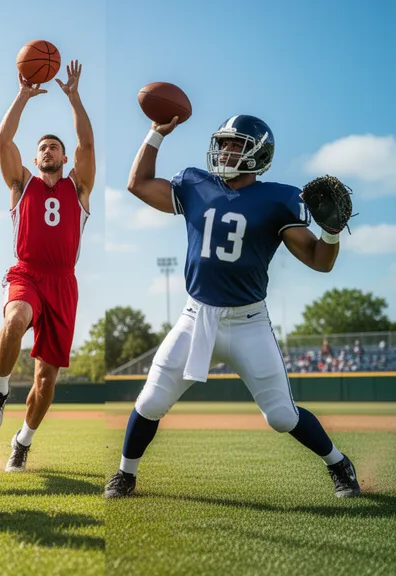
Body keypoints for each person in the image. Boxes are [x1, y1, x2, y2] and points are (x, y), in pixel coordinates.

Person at [104, 114, 359, 499]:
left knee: (281, 416)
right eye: (222, 143)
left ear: (258, 152)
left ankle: (339, 464)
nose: (224, 150)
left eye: (234, 144)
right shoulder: (194, 184)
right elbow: (137, 184)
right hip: (196, 316)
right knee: (151, 401)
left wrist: (330, 231)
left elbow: (320, 261)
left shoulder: (277, 199)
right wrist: (156, 133)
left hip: (248, 322)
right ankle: (125, 474)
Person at [0, 61, 95, 473]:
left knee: (46, 379)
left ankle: (22, 441)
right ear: (34, 157)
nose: (48, 150)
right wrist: (23, 95)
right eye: (42, 147)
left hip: (64, 283)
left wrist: (73, 96)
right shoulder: (21, 185)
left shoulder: (78, 188)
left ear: (64, 157)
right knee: (15, 319)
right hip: (26, 272)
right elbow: (1, 140)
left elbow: (88, 146)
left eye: (54, 147)